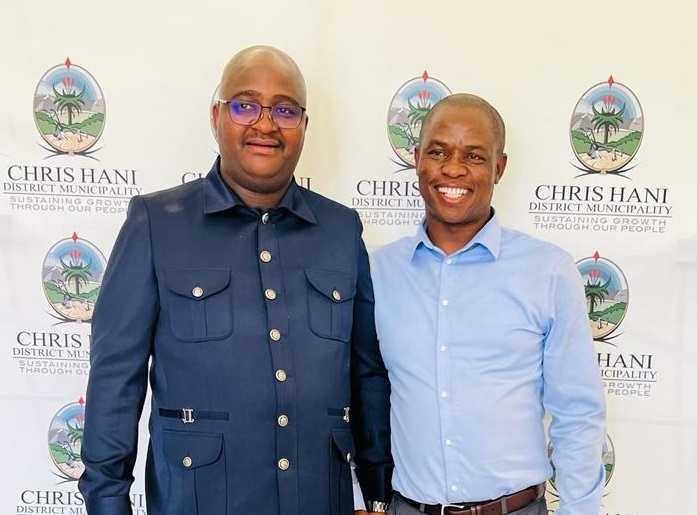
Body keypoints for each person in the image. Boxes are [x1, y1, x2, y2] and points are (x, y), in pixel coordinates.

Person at [78, 45, 392, 515]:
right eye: (245, 105)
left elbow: (366, 374)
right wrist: (107, 504)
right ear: (216, 116)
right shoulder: (156, 224)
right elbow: (115, 380)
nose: (265, 124)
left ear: (304, 126)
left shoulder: (341, 231)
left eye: (285, 110)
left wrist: (379, 494)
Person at [370, 93, 606, 515]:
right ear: (417, 159)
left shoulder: (547, 271)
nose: (453, 168)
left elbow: (577, 414)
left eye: (474, 156)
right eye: (438, 152)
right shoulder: (378, 271)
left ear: (499, 167)